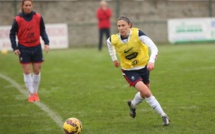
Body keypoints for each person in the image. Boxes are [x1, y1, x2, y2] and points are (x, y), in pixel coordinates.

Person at [107, 16, 170, 126]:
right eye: (119, 26)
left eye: (123, 25)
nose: (121, 28)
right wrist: (114, 59)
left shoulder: (138, 34)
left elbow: (154, 47)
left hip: (144, 67)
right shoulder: (114, 39)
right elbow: (109, 44)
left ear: (129, 25)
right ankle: (163, 116)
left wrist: (151, 62)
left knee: (144, 93)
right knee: (147, 92)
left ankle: (133, 104)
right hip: (129, 70)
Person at [9, 0, 49, 102]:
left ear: (32, 6)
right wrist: (15, 47)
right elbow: (12, 33)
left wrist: (46, 42)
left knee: (37, 71)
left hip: (36, 47)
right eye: (26, 5)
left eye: (30, 5)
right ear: (22, 6)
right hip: (24, 48)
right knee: (27, 71)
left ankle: (35, 93)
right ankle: (31, 94)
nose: (28, 7)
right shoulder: (18, 19)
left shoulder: (38, 17)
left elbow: (42, 30)